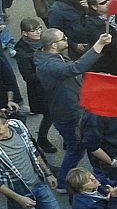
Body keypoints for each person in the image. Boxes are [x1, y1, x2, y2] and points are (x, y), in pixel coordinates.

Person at [35, 28, 111, 189]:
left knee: (83, 144)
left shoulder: (50, 57)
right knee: (76, 149)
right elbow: (73, 69)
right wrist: (98, 45)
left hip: (73, 108)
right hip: (69, 114)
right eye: (63, 38)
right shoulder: (49, 65)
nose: (67, 39)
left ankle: (96, 171)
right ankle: (63, 183)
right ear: (54, 45)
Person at [13, 18, 56, 152]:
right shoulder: (23, 52)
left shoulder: (44, 40)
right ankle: (42, 138)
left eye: (39, 29)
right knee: (50, 114)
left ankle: (67, 137)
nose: (38, 33)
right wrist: (47, 70)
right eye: (33, 31)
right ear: (25, 33)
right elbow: (28, 76)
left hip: (53, 84)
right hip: (40, 90)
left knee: (58, 111)